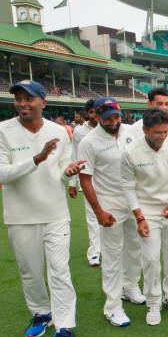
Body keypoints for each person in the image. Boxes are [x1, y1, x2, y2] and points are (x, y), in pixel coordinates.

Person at [0, 80, 84, 337]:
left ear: (43, 102)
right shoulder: (3, 131)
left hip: (55, 213)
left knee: (60, 271)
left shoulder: (59, 131)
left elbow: (61, 167)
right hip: (20, 215)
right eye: (19, 99)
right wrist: (36, 159)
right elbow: (3, 173)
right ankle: (41, 314)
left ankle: (64, 327)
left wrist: (68, 173)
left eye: (29, 98)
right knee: (31, 272)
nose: (23, 103)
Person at [121, 108, 168, 325]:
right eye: (157, 133)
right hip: (147, 213)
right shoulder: (131, 152)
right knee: (151, 259)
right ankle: (153, 302)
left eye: (165, 132)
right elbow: (127, 186)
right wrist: (139, 217)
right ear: (145, 130)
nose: (162, 137)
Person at [78, 97, 145, 327]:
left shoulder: (131, 131)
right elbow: (85, 179)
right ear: (96, 116)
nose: (114, 122)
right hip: (110, 204)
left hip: (133, 200)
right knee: (113, 255)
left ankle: (131, 286)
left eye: (117, 116)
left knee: (135, 248)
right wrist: (98, 210)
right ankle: (113, 306)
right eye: (108, 119)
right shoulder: (89, 141)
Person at [130, 87, 168, 287]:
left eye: (167, 104)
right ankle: (149, 284)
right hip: (147, 196)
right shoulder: (135, 128)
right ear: (149, 105)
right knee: (148, 246)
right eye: (159, 104)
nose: (164, 108)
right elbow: (131, 161)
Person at [68, 99, 101, 266]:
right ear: (88, 113)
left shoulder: (112, 127)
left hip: (111, 180)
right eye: (92, 112)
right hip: (88, 179)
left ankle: (111, 248)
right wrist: (72, 183)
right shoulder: (79, 132)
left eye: (98, 111)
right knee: (92, 215)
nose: (95, 115)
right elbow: (74, 157)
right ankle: (95, 251)